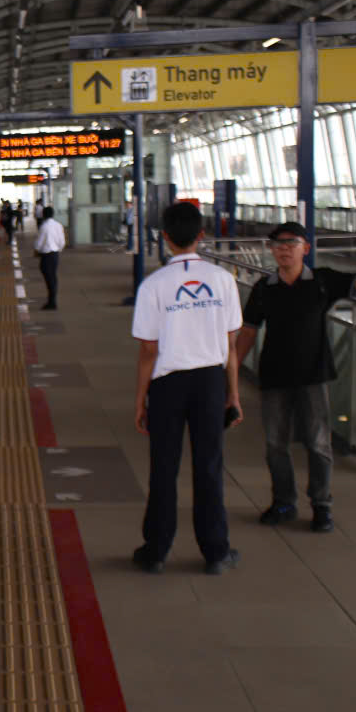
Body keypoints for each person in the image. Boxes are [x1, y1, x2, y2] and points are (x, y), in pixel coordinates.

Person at [235, 222, 356, 533]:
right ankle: (283, 502)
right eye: (278, 244)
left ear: (305, 248)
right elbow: (248, 332)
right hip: (274, 378)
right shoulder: (263, 288)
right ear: (271, 250)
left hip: (313, 376)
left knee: (318, 443)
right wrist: (229, 375)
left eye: (291, 243)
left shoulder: (324, 281)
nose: (283, 249)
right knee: (275, 445)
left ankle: (321, 505)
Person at [131, 201, 243, 576]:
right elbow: (230, 344)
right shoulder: (223, 279)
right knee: (209, 466)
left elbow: (148, 350)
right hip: (211, 381)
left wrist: (140, 400)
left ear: (163, 237)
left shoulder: (153, 285)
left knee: (164, 467)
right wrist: (233, 394)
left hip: (167, 385)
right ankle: (216, 551)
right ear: (201, 235)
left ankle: (157, 550)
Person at [33, 206, 65, 310]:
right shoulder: (58, 225)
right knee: (53, 277)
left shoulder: (44, 226)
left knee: (49, 278)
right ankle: (52, 300)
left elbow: (39, 242)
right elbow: (62, 242)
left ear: (43, 214)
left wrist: (36, 250)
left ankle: (52, 302)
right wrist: (58, 249)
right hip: (55, 254)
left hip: (46, 255)